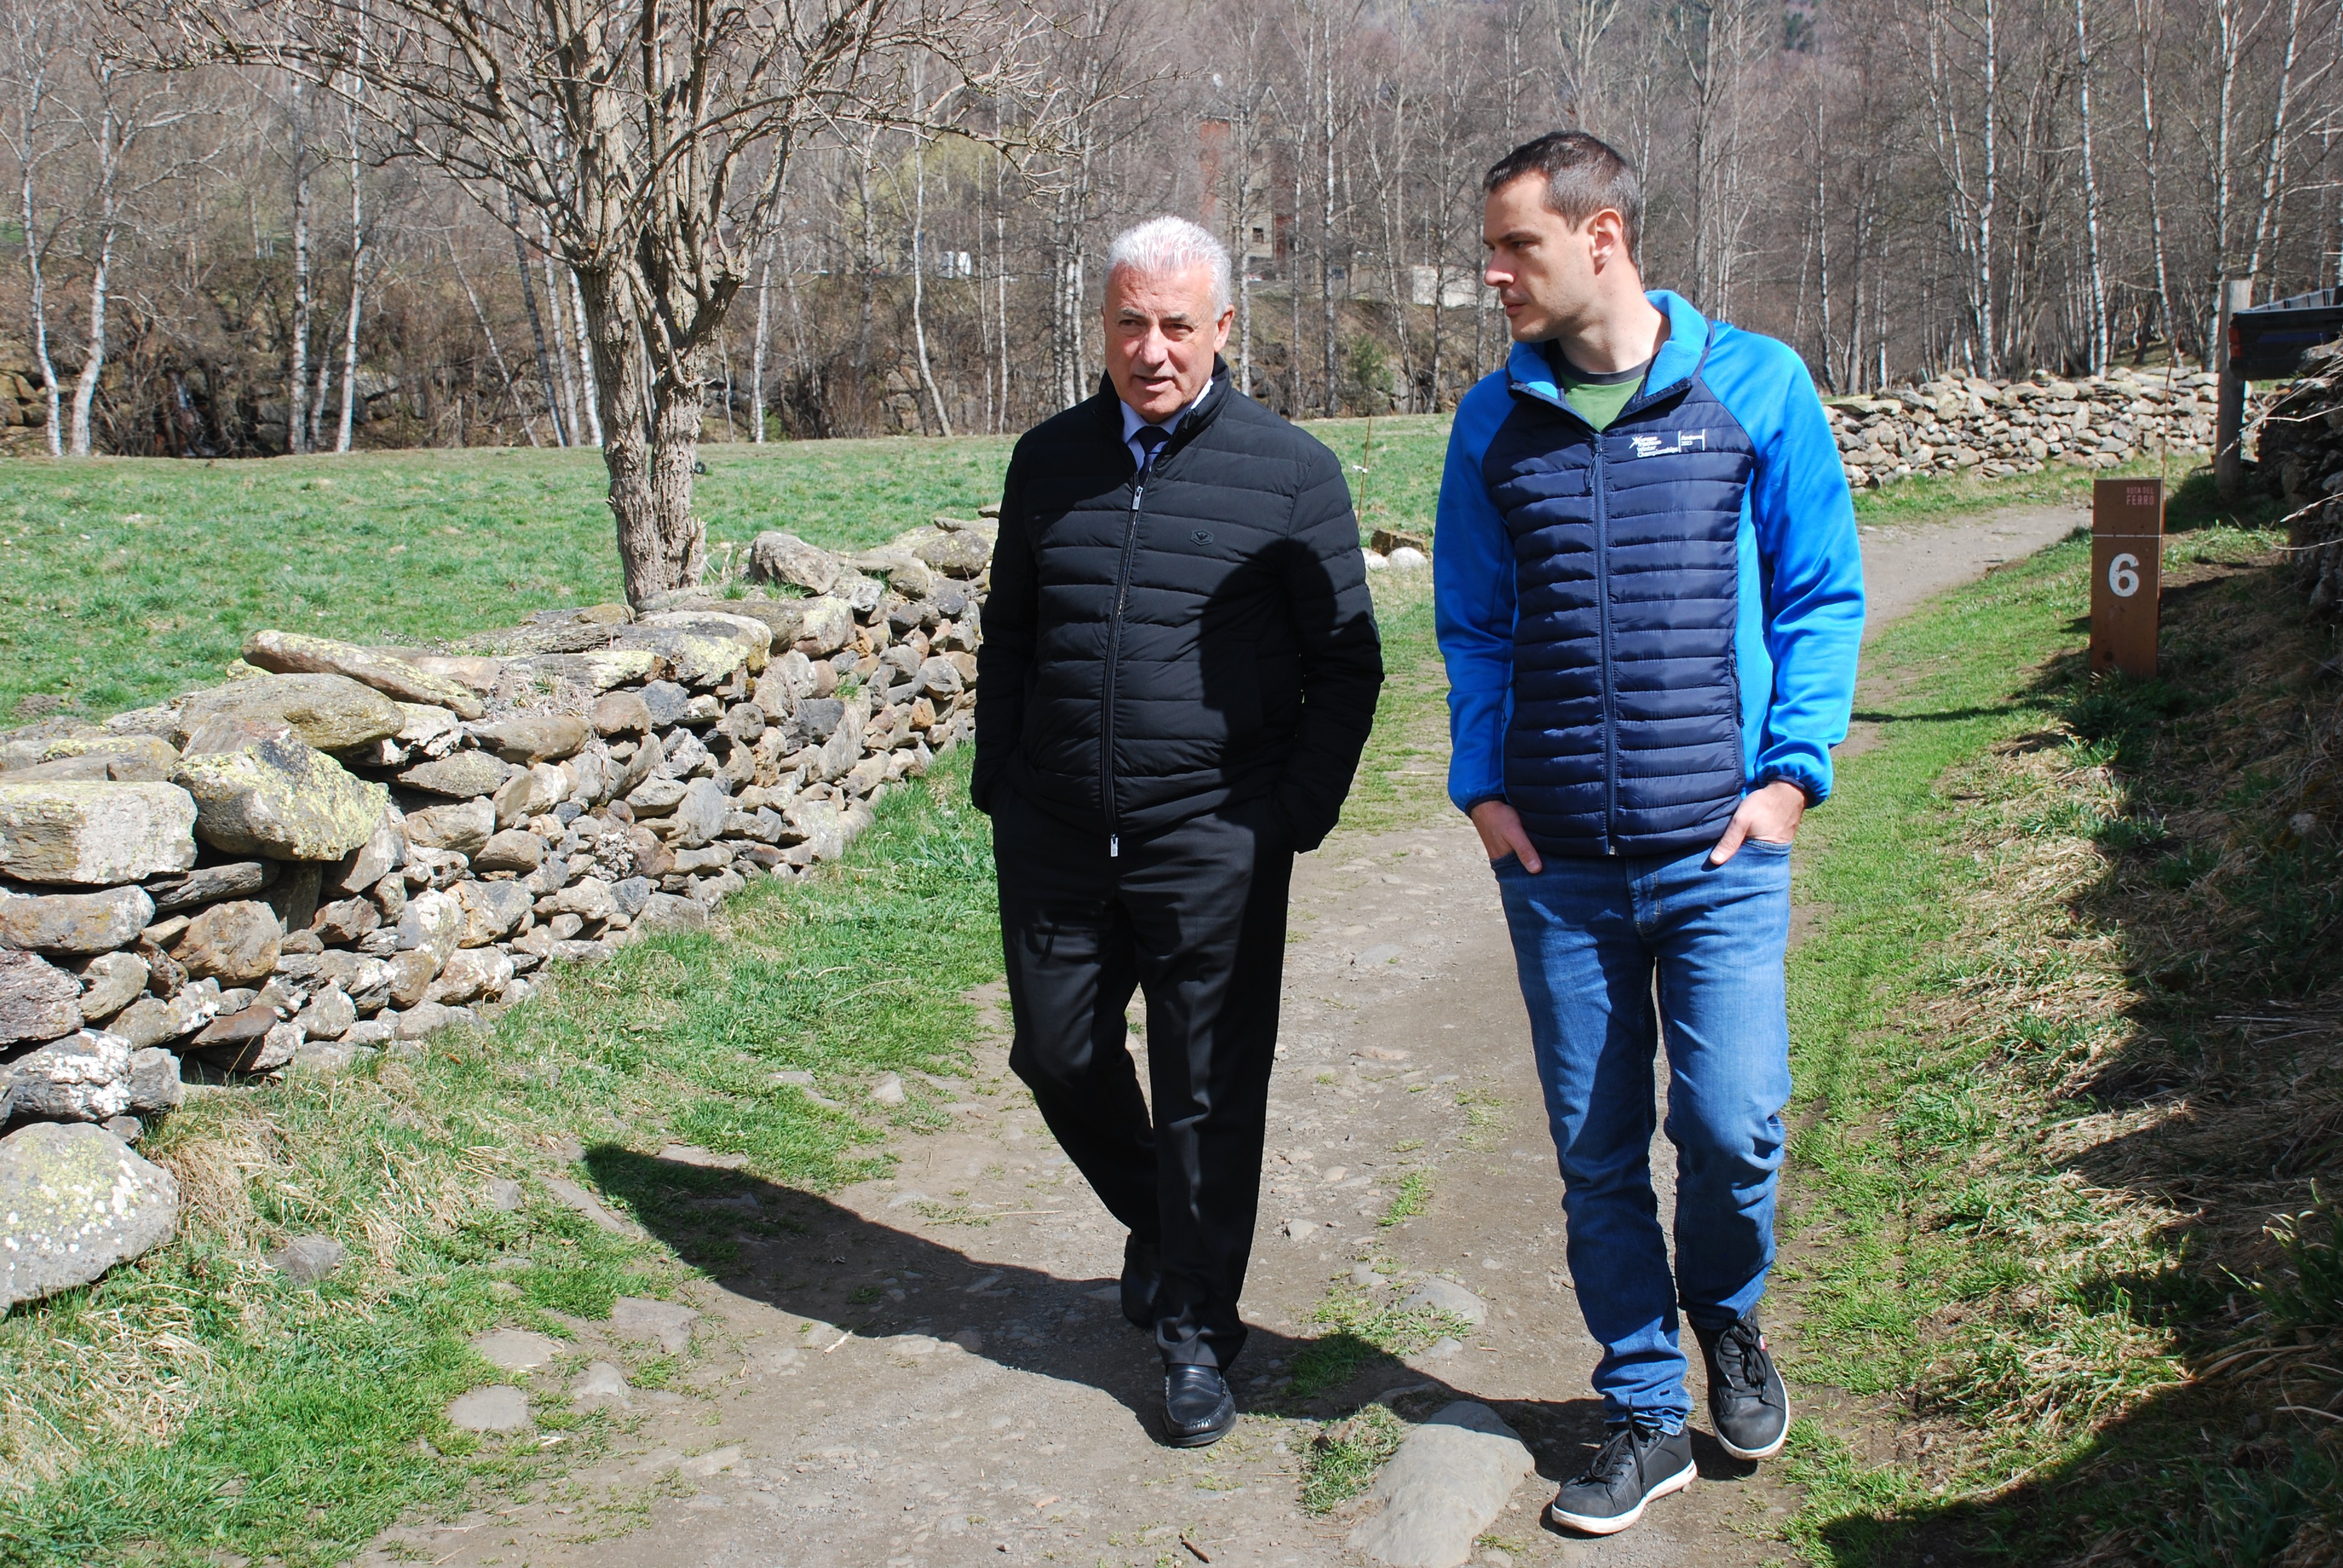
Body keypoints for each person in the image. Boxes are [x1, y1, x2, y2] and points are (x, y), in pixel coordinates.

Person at [1434, 132, 1865, 1535]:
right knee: (1597, 1151)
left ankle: (1725, 1319)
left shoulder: (1757, 384)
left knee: (1733, 1128)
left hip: (1719, 859)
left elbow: (1820, 594)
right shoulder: (1491, 421)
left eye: (1516, 246)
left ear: (1600, 237)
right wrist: (1485, 791)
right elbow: (1471, 623)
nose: (1493, 274)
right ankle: (1640, 1406)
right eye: (1490, 250)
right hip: (1556, 868)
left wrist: (1789, 777)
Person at [973, 216, 1384, 1448]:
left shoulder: (1291, 471)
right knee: (1055, 1055)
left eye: (1175, 326)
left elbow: (1346, 665)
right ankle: (1167, 1223)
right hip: (1056, 828)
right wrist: (1002, 784)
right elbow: (1011, 633)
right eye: (1129, 324)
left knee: (1209, 1090)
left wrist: (1287, 819)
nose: (1151, 351)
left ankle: (1199, 1330)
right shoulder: (1048, 460)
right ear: (1102, 326)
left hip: (1215, 835)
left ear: (1221, 328)